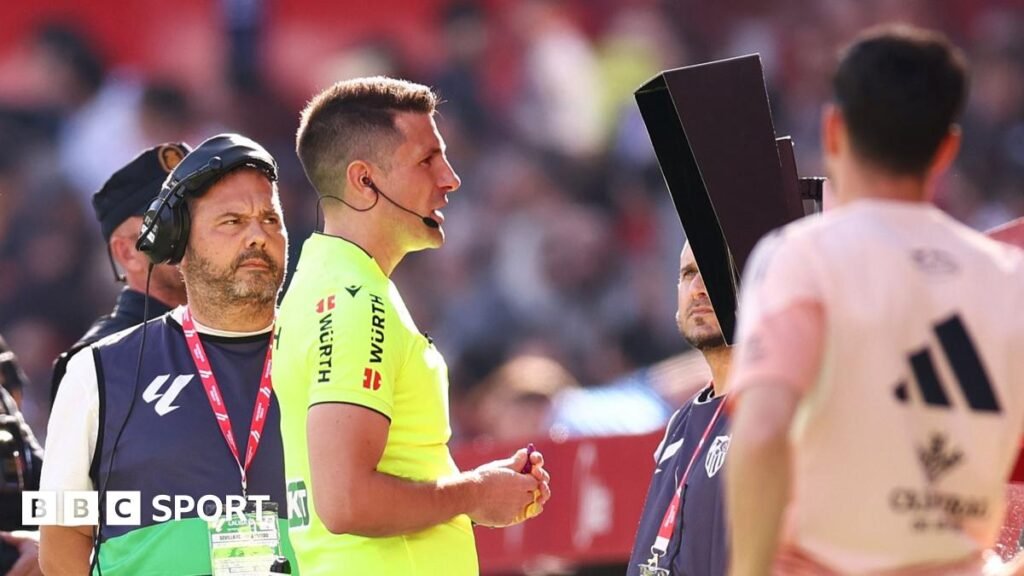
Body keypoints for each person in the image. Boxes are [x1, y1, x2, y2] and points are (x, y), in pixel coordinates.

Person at [726, 25, 1024, 575]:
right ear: (946, 149)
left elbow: (763, 430)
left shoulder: (802, 257)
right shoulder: (1010, 280)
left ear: (833, 130)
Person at [273, 76, 551, 575]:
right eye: (427, 160)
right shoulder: (355, 301)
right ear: (364, 180)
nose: (450, 178)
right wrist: (477, 494)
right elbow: (347, 502)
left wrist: (475, 487)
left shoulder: (331, 283)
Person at [39, 134, 297, 575]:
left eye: (270, 219)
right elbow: (62, 535)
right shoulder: (96, 370)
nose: (257, 235)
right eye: (233, 221)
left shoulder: (330, 351)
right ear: (177, 247)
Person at [49, 142, 191, 406]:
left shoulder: (251, 330)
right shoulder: (98, 365)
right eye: (168, 218)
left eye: (199, 211)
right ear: (127, 252)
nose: (189, 229)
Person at [627, 241, 732, 576]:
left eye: (714, 273)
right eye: (688, 274)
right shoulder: (682, 422)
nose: (698, 289)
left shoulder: (783, 409)